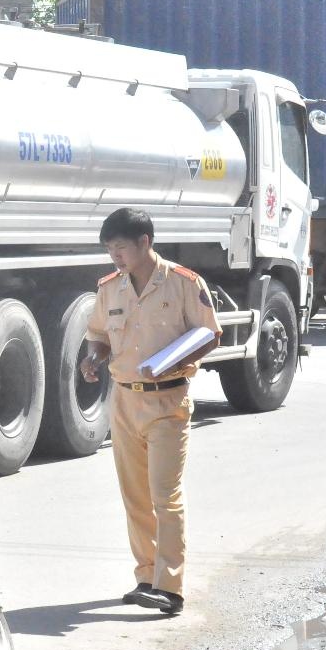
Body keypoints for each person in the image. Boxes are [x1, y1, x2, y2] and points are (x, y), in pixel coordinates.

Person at [80, 208, 222, 615]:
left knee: (165, 495)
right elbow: (100, 335)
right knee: (136, 497)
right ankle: (146, 577)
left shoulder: (183, 283)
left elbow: (209, 333)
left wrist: (171, 360)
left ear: (145, 243)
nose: (115, 257)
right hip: (124, 401)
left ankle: (170, 587)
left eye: (121, 248)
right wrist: (92, 358)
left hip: (167, 402)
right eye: (110, 250)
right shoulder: (110, 288)